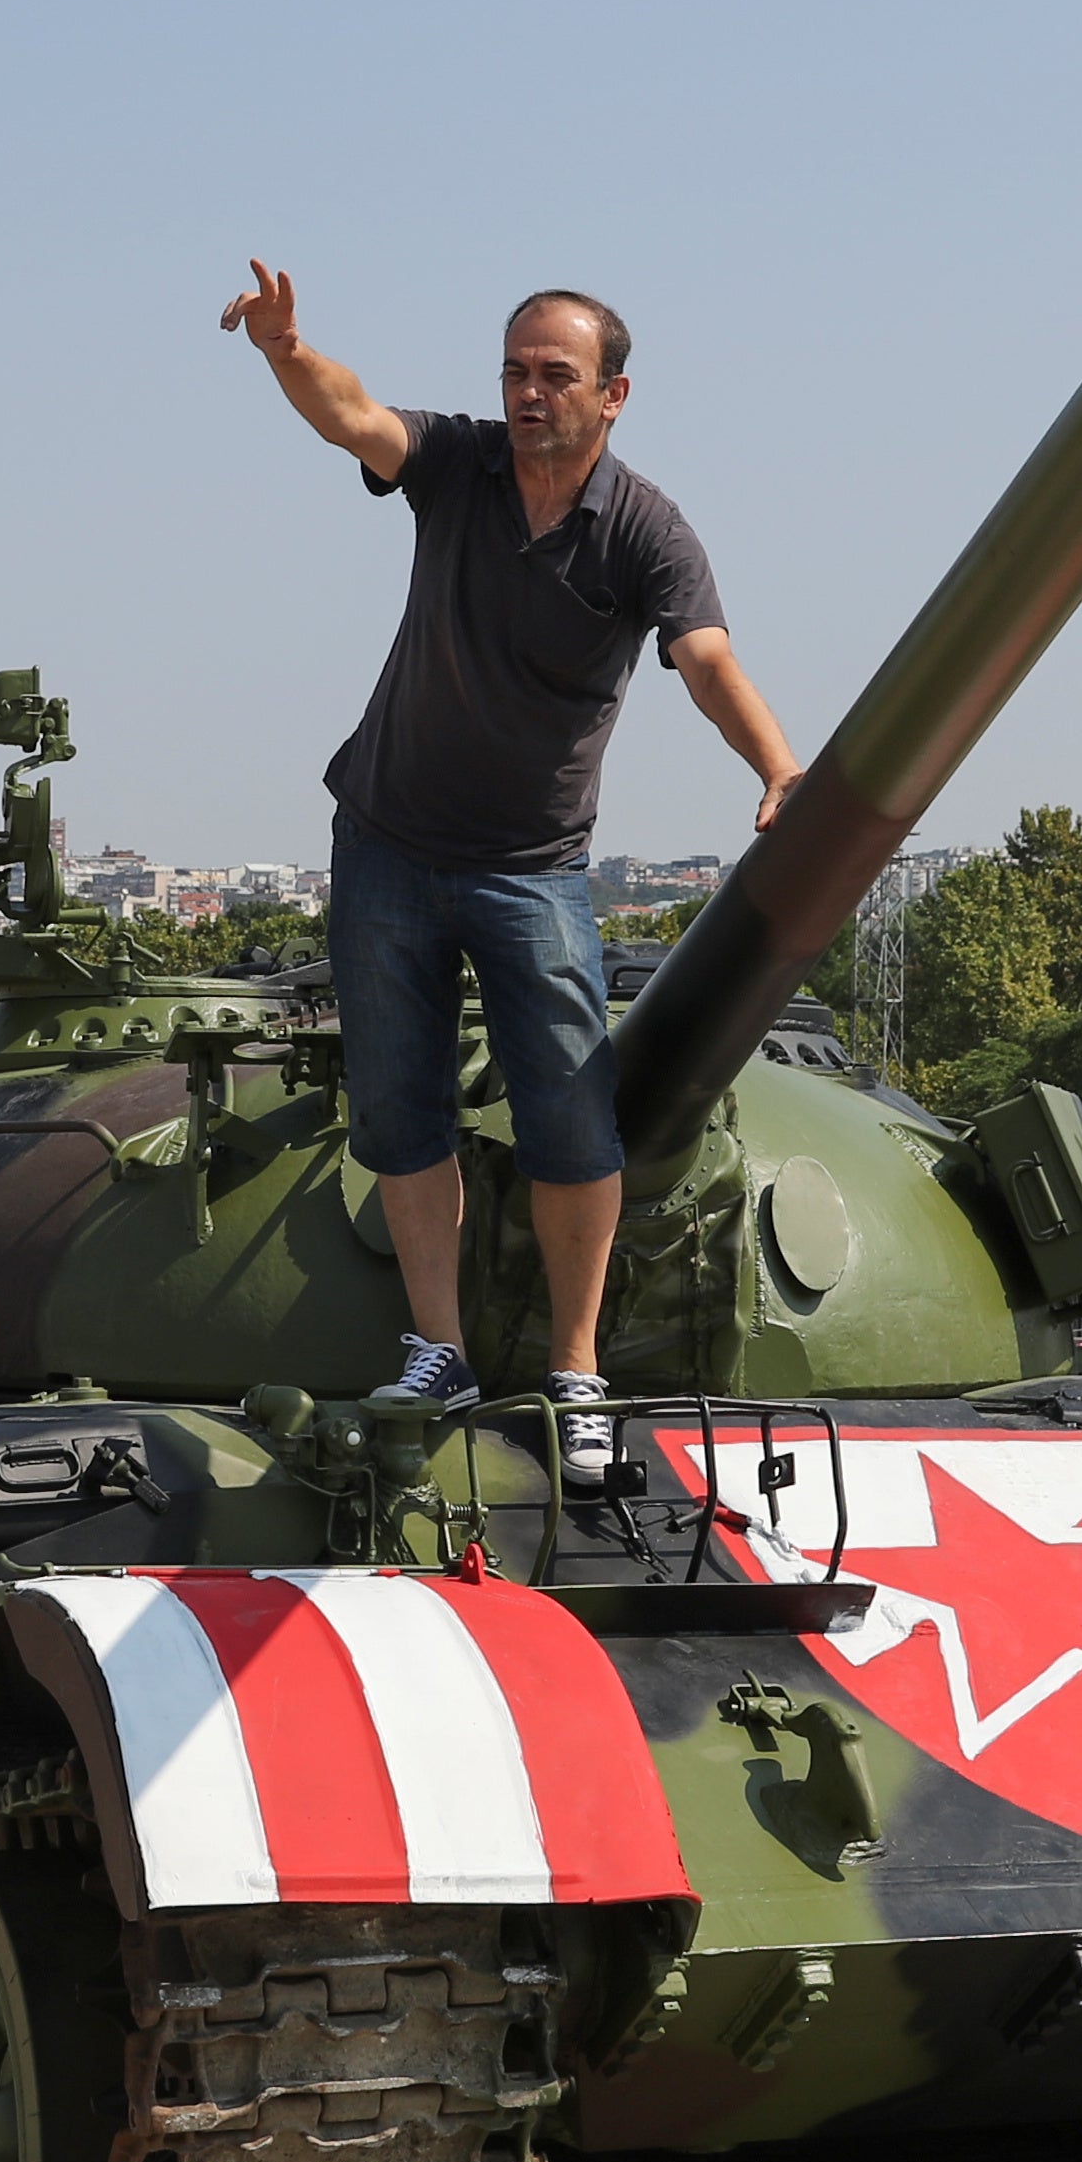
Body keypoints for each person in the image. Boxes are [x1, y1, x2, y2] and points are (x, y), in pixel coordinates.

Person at [218, 264, 801, 1490]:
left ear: (613, 395)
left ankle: (577, 1370)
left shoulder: (644, 528)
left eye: (556, 376)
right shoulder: (461, 465)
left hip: (531, 869)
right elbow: (358, 416)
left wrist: (780, 766)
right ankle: (440, 1350)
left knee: (571, 1121)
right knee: (399, 1112)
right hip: (385, 839)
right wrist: (285, 350)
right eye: (515, 373)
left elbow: (703, 656)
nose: (529, 395)